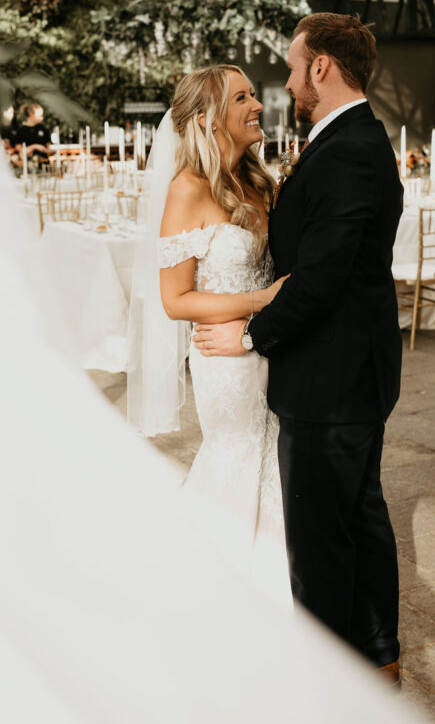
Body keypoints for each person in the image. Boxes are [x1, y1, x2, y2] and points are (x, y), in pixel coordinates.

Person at [192, 14, 403, 685]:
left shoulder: (347, 149)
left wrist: (249, 335)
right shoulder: (346, 140)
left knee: (320, 539)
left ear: (320, 66)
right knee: (358, 517)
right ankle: (377, 658)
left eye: (289, 66)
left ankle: (329, 682)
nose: (283, 83)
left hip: (329, 379)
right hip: (351, 372)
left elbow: (322, 275)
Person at [129, 65, 291, 603]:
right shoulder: (187, 189)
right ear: (207, 118)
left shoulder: (257, 180)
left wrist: (265, 322)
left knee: (271, 458)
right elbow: (175, 299)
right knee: (237, 455)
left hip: (266, 345)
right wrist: (259, 304)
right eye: (242, 97)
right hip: (223, 356)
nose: (257, 105)